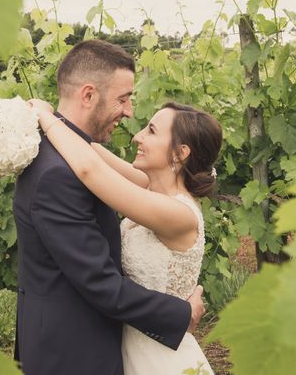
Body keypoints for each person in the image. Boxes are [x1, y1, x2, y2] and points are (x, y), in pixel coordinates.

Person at [13, 39, 205, 375]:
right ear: (88, 95)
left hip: (120, 345)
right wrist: (180, 314)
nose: (131, 114)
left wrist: (50, 118)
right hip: (73, 353)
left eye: (151, 130)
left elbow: (92, 163)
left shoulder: (68, 156)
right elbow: (100, 282)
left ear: (181, 152)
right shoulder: (59, 172)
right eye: (123, 98)